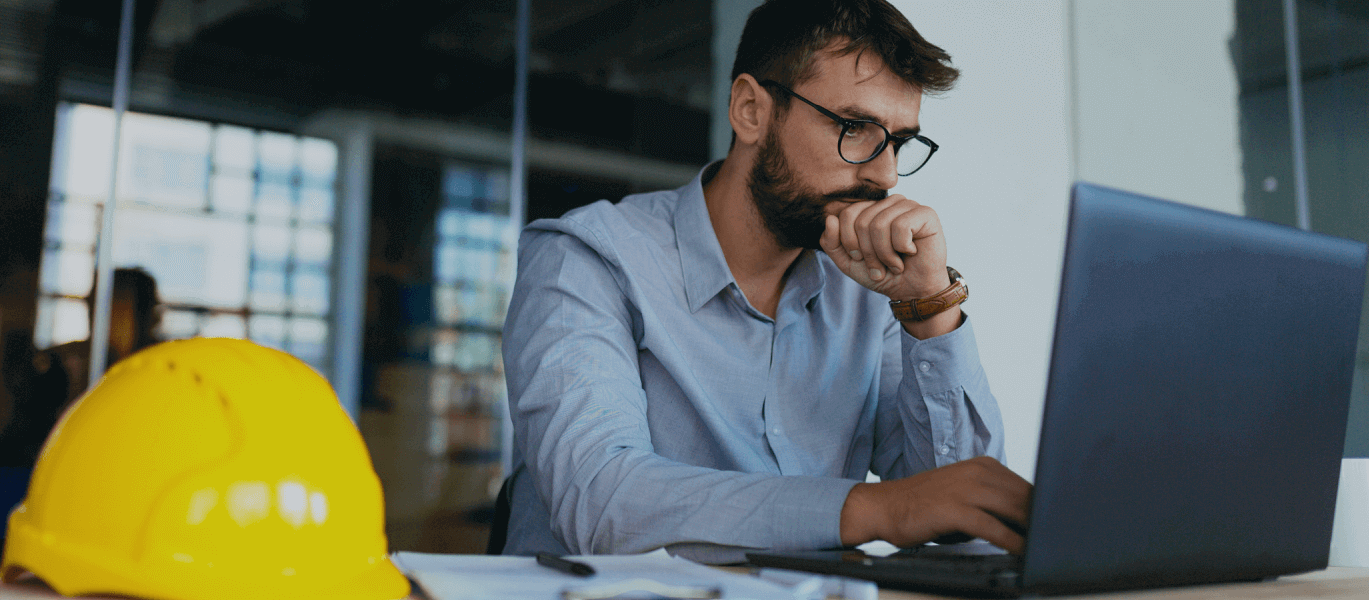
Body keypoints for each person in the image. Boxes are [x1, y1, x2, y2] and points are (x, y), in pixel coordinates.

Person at [500, 0, 1031, 564]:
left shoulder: (867, 287)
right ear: (751, 110)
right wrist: (881, 509)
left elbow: (963, 508)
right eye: (856, 129)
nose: (886, 174)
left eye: (899, 142)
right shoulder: (585, 259)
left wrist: (929, 308)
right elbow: (601, 500)